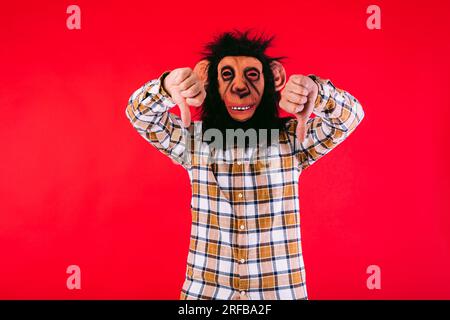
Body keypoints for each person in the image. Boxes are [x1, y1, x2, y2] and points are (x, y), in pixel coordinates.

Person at [125, 30, 364, 300]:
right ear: (208, 79)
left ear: (275, 77)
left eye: (252, 75)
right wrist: (167, 87)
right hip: (205, 294)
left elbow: (350, 116)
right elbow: (139, 115)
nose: (239, 87)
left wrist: (317, 92)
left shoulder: (291, 138)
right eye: (227, 75)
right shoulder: (194, 141)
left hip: (280, 292)